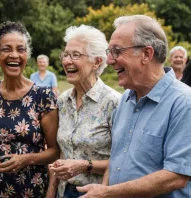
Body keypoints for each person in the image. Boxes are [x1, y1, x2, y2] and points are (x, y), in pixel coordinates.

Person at [78, 15, 191, 198]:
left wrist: (107, 193)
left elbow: (176, 176)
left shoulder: (184, 102)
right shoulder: (125, 99)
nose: (109, 60)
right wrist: (104, 189)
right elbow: (116, 161)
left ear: (146, 54)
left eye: (116, 51)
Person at [0, 21, 60, 198]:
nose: (14, 55)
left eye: (21, 49)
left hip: (32, 189)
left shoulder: (43, 96)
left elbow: (55, 150)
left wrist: (27, 159)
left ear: (27, 55)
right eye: (6, 49)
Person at [49, 25, 121, 198]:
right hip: (63, 191)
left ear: (97, 62)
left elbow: (121, 161)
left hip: (95, 193)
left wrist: (83, 165)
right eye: (65, 54)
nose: (67, 61)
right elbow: (61, 152)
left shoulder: (114, 103)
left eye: (76, 55)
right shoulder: (63, 101)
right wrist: (51, 193)